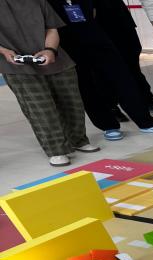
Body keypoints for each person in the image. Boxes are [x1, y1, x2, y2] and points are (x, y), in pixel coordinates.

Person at [47, 0, 153, 141]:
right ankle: (108, 125)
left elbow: (94, 11)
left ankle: (146, 122)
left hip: (96, 35)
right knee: (86, 84)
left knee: (122, 77)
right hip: (66, 41)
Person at [0, 0, 99, 167]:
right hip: (16, 66)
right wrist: (4, 51)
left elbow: (52, 29)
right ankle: (56, 150)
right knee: (40, 108)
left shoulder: (39, 2)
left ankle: (78, 140)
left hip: (55, 60)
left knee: (72, 103)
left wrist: (50, 50)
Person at [93, 0, 153, 114]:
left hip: (121, 21)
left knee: (132, 64)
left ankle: (145, 100)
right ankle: (110, 106)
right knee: (105, 68)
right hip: (98, 25)